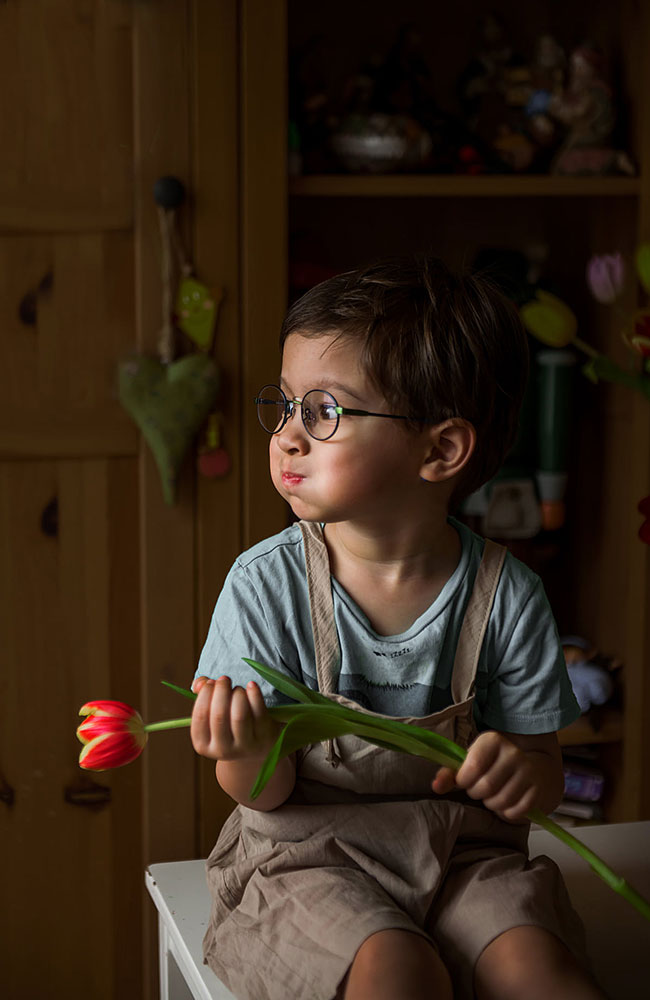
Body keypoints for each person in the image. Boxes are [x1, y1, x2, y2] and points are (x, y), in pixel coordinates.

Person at [191, 254, 605, 1000]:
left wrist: (522, 775)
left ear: (440, 450)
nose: (287, 436)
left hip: (464, 857)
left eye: (323, 411)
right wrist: (245, 751)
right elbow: (264, 794)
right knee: (399, 974)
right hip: (309, 862)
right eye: (285, 405)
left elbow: (541, 773)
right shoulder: (266, 587)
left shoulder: (506, 595)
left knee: (541, 974)